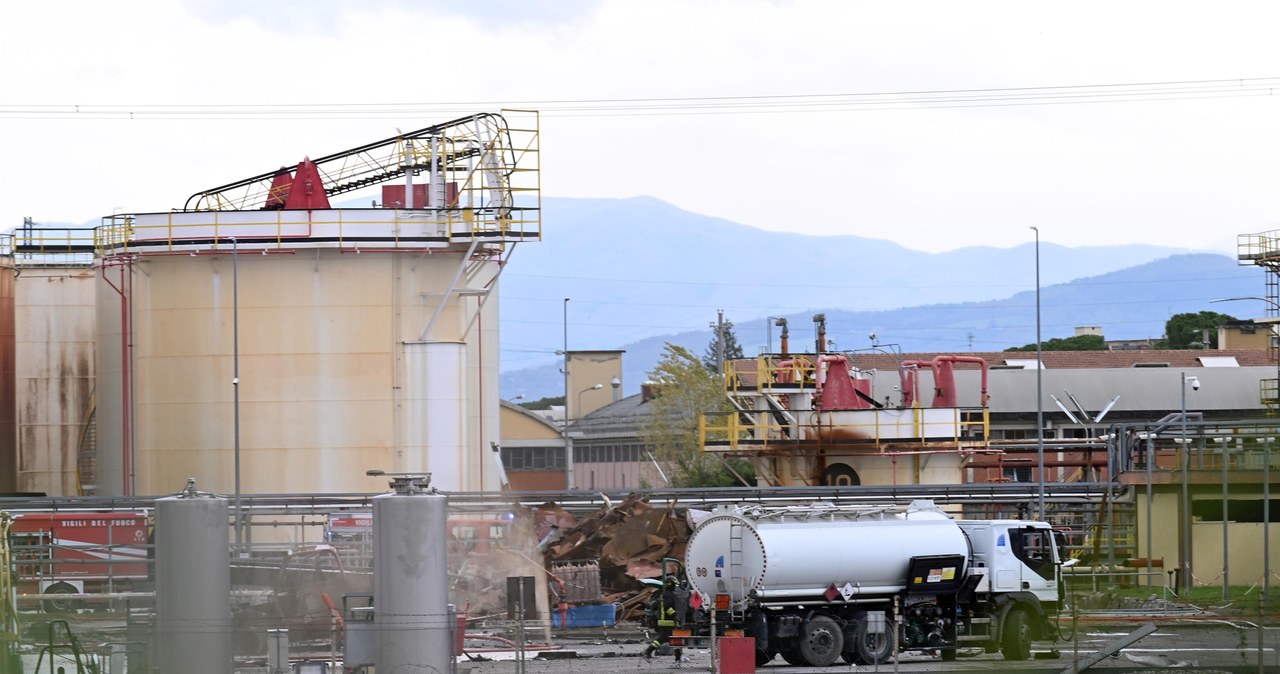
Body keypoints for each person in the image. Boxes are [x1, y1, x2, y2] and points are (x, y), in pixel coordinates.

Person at [643, 577, 690, 664]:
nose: (675, 587)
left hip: (665, 621)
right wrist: (675, 616)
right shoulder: (667, 594)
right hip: (667, 621)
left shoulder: (665, 594)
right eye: (674, 585)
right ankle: (648, 652)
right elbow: (668, 607)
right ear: (670, 584)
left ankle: (678, 658)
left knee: (673, 640)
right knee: (663, 639)